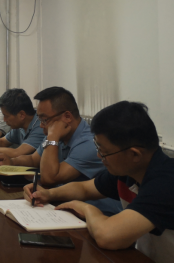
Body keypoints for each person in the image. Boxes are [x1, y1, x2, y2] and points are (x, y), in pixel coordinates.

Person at [24, 102, 174, 263]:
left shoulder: (166, 182)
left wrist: (87, 208)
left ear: (135, 155)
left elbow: (107, 236)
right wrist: (48, 193)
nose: (99, 156)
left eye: (104, 152)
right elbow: (84, 188)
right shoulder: (129, 170)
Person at [0, 87, 104, 186]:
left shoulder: (88, 144)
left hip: (84, 202)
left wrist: (52, 138)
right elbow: (33, 159)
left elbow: (50, 179)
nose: (41, 125)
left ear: (67, 117)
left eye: (44, 120)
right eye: (39, 119)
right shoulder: (59, 134)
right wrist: (12, 162)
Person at [0, 89, 45, 157]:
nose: (4, 120)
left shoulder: (40, 126)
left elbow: (17, 152)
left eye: (6, 116)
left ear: (21, 115)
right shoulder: (19, 126)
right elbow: (2, 142)